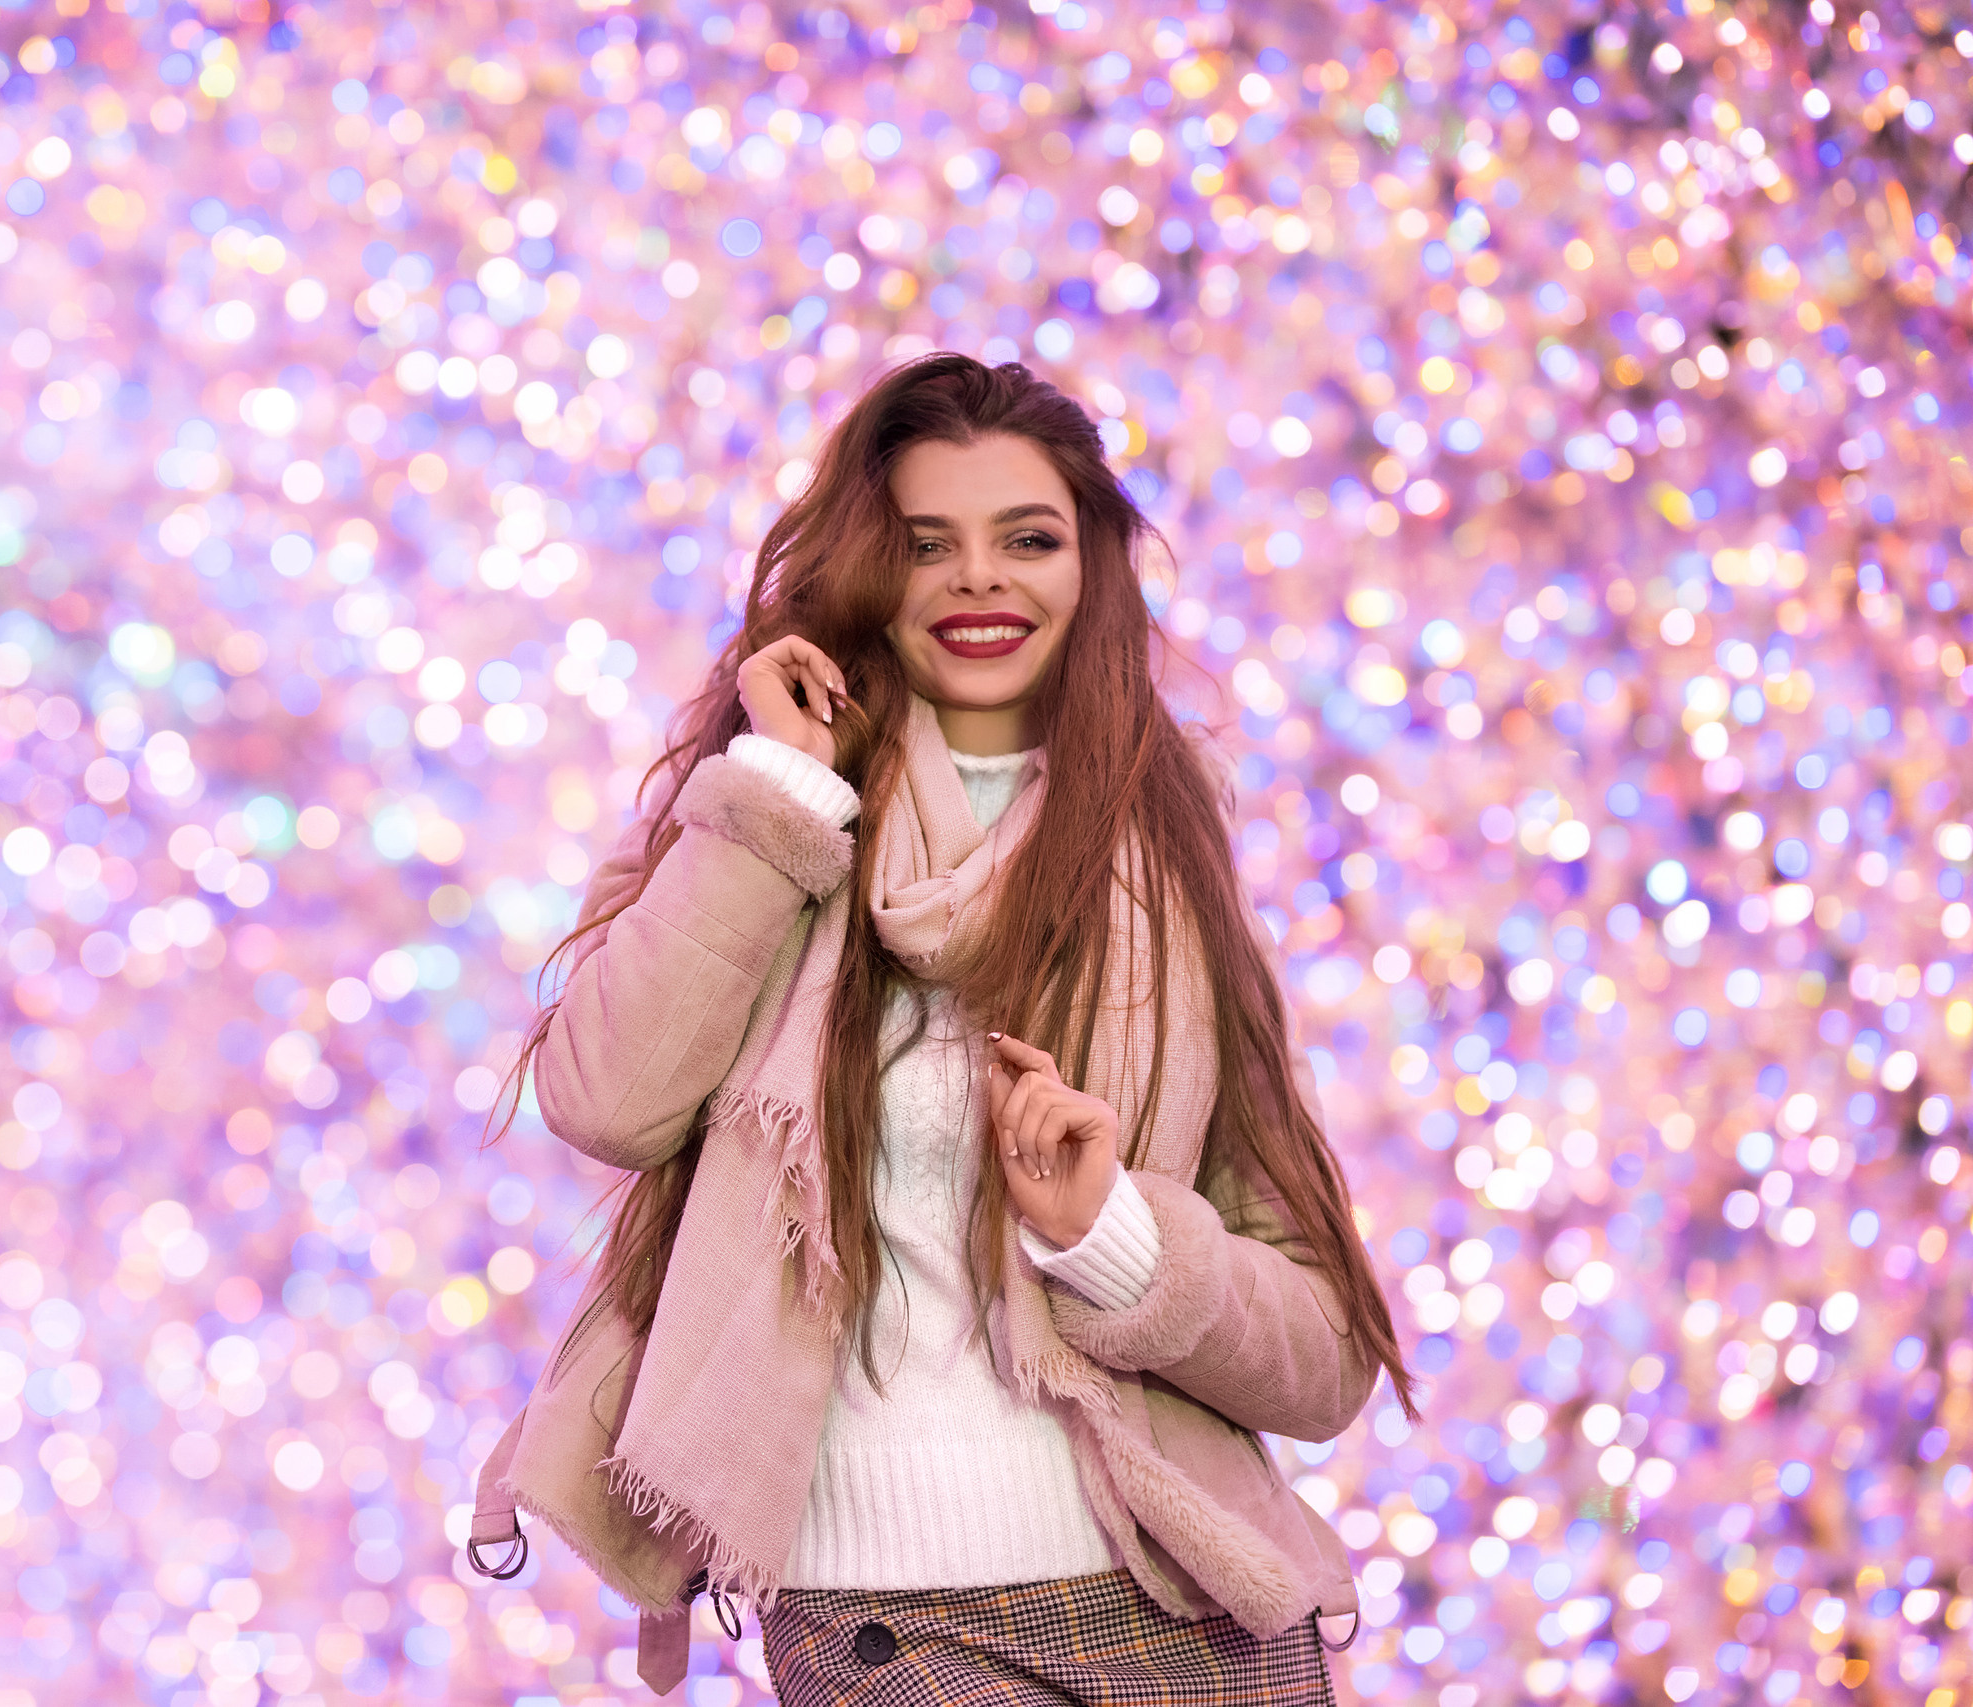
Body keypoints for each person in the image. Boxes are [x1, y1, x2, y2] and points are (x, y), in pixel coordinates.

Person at [469, 354, 1418, 1704]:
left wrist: (1112, 1235)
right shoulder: (772, 811)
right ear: (871, 569)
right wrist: (786, 795)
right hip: (885, 1624)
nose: (982, 579)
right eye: (929, 545)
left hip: (1191, 1604)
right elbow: (606, 1098)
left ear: (1088, 566)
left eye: (1026, 539)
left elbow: (1321, 1359)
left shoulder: (1167, 864)